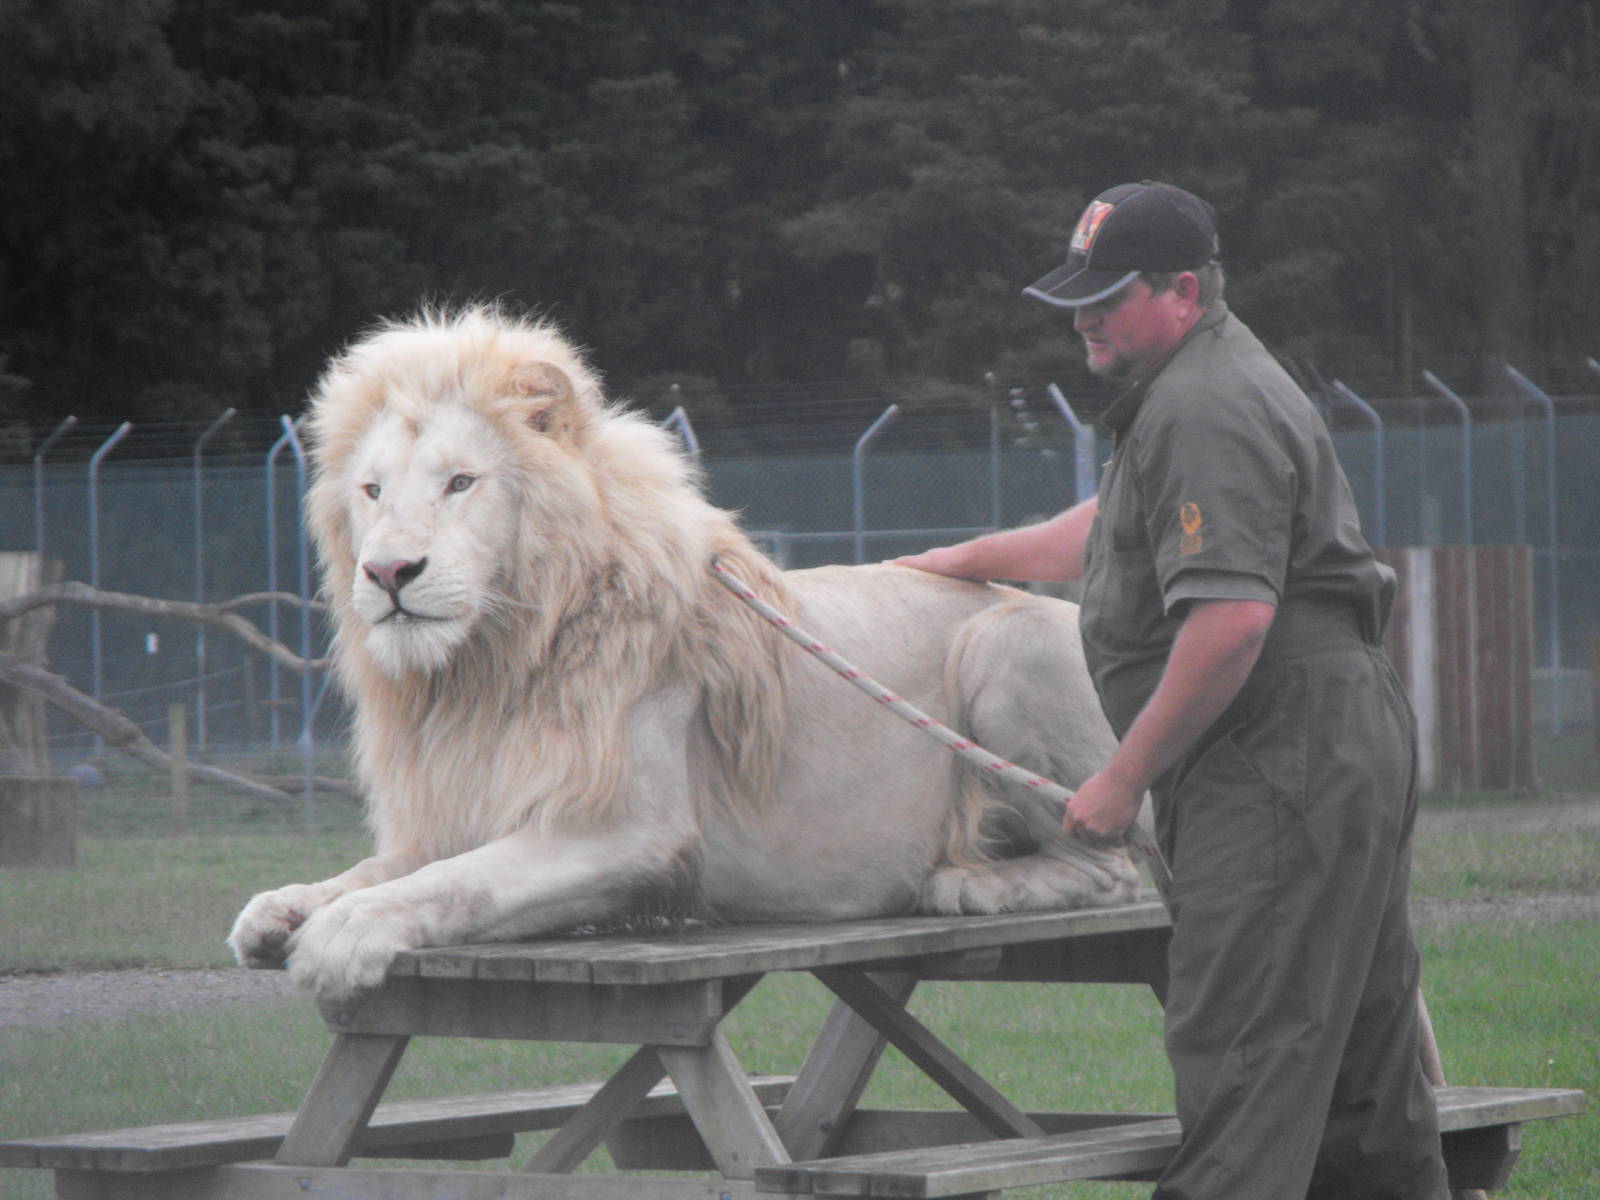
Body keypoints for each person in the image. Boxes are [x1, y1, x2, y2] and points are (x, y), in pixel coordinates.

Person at [895, 181, 1450, 1200]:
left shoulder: (1203, 406)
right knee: (1362, 1082)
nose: (1082, 317)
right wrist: (956, 556)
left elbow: (1232, 619)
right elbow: (1107, 529)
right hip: (1321, 742)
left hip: (1277, 752)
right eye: (1076, 295)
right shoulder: (1200, 389)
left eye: (1106, 296)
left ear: (1182, 291)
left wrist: (1120, 778)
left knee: (1245, 1052)